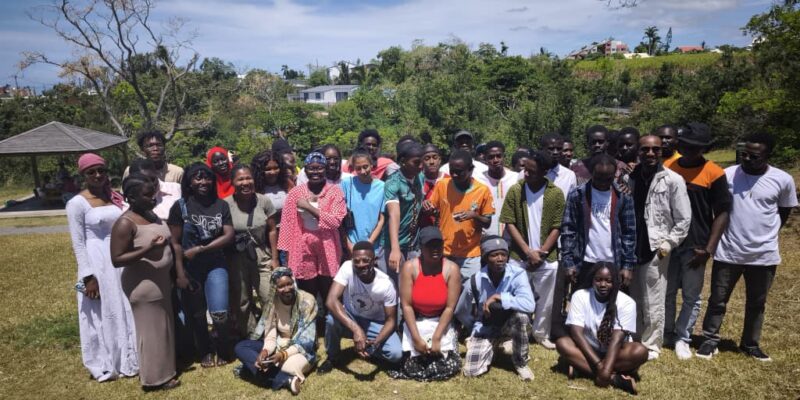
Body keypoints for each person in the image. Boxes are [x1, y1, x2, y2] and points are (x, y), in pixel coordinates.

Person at [698, 132, 798, 361]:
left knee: (757, 302)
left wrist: (766, 233)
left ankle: (750, 344)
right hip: (728, 250)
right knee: (718, 299)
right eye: (744, 154)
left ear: (767, 155)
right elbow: (718, 207)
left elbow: (783, 211)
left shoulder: (783, 180)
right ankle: (709, 339)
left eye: (754, 156)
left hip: (764, 255)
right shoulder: (728, 174)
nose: (747, 159)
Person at [66, 153, 137, 382]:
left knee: (125, 305)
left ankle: (131, 356)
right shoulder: (77, 203)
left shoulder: (115, 197)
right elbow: (77, 243)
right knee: (101, 310)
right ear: (83, 175)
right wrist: (88, 277)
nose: (98, 175)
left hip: (120, 257)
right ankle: (108, 360)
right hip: (96, 262)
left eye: (101, 170)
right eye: (91, 172)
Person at [663, 122, 731, 360]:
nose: (692, 150)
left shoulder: (715, 173)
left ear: (705, 148)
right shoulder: (667, 167)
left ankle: (683, 337)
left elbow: (722, 212)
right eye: (688, 146)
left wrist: (709, 248)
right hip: (669, 243)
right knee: (667, 292)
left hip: (697, 245)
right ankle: (667, 333)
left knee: (692, 295)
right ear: (680, 145)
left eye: (698, 147)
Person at [553, 154, 636, 340]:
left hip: (613, 261)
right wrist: (569, 262)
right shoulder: (578, 195)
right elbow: (569, 230)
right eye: (598, 177)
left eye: (608, 178)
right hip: (585, 261)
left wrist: (628, 265)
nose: (603, 182)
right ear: (592, 174)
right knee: (581, 304)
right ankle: (580, 343)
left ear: (614, 175)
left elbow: (630, 232)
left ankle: (608, 342)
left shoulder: (623, 196)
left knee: (612, 305)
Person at [110, 173, 179, 391]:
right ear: (131, 196)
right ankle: (153, 379)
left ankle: (166, 370)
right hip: (143, 284)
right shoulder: (125, 223)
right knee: (150, 332)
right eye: (148, 195)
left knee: (162, 328)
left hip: (160, 281)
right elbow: (117, 259)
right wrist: (149, 249)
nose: (153, 198)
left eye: (154, 193)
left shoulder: (151, 214)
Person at [627, 135, 691, 360]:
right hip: (631, 247)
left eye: (656, 149)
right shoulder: (629, 178)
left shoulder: (673, 180)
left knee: (653, 299)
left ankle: (652, 344)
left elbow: (683, 220)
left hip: (656, 248)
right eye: (645, 150)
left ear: (663, 151)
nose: (651, 154)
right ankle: (634, 337)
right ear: (639, 152)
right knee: (632, 297)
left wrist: (667, 245)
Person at [167, 162, 235, 368]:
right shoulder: (180, 207)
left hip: (215, 264)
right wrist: (179, 273)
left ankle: (223, 347)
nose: (203, 181)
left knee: (220, 312)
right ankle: (204, 349)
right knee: (196, 313)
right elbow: (175, 244)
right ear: (189, 181)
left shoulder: (220, 205)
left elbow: (229, 234)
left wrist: (201, 249)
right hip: (190, 268)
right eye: (197, 178)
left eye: (206, 177)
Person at [501, 151, 565, 349]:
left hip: (547, 257)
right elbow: (509, 222)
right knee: (517, 295)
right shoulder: (515, 190)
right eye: (524, 169)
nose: (526, 174)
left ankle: (540, 333)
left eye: (532, 171)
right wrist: (528, 251)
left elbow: (557, 226)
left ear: (544, 172)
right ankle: (514, 334)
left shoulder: (555, 193)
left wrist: (541, 252)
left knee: (546, 299)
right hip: (519, 255)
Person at [278, 152, 347, 332]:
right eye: (311, 168)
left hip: (327, 247)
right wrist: (285, 254)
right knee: (307, 291)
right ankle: (310, 330)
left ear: (325, 169)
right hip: (302, 247)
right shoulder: (295, 193)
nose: (315, 172)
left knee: (328, 289)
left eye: (319, 168)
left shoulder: (334, 192)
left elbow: (335, 221)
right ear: (305, 170)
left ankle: (333, 328)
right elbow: (287, 223)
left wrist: (309, 207)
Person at [555, 262, 648, 395]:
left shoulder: (627, 302)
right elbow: (576, 334)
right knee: (562, 343)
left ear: (615, 281)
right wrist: (601, 368)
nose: (603, 284)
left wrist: (605, 369)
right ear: (592, 280)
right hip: (587, 350)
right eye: (598, 280)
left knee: (640, 351)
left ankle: (581, 369)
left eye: (608, 281)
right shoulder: (580, 296)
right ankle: (615, 379)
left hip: (616, 353)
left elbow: (617, 339)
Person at [455, 236, 536, 380]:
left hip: (509, 325)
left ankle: (521, 362)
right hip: (485, 328)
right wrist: (473, 327)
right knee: (471, 372)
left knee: (522, 318)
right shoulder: (475, 281)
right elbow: (461, 311)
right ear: (486, 258)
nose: (500, 258)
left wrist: (499, 296)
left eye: (503, 254)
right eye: (494, 255)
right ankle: (493, 345)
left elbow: (529, 304)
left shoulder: (518, 274)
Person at [389, 227, 462, 381]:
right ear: (421, 247)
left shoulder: (452, 269)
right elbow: (407, 306)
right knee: (410, 364)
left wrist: (436, 338)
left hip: (440, 321)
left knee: (448, 364)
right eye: (430, 245)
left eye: (438, 245)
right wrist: (416, 338)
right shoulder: (410, 267)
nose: (435, 249)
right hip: (416, 320)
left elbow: (450, 308)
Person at [320, 241, 403, 373]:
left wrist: (376, 343)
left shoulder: (386, 284)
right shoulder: (347, 267)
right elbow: (331, 300)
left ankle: (368, 349)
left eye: (366, 260)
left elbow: (391, 320)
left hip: (375, 323)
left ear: (374, 260)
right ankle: (332, 357)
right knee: (331, 320)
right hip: (351, 317)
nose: (360, 265)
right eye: (356, 261)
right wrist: (356, 330)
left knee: (396, 354)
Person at [233, 268, 317, 395]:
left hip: (300, 349)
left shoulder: (307, 301)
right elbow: (271, 334)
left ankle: (254, 370)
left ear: (293, 281)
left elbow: (306, 341)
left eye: (289, 283)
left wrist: (281, 355)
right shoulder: (273, 302)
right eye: (281, 286)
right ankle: (286, 379)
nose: (287, 289)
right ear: (275, 288)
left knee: (288, 366)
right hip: (278, 344)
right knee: (241, 347)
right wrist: (265, 351)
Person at [225, 164, 280, 339]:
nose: (245, 182)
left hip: (261, 254)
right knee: (242, 300)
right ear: (233, 182)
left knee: (268, 296)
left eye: (248, 178)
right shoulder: (226, 204)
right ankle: (250, 334)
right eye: (240, 179)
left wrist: (275, 258)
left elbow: (272, 229)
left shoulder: (263, 201)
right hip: (237, 257)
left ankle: (273, 333)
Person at [423, 150, 494, 282]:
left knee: (469, 293)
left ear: (470, 170)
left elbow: (487, 222)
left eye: (459, 172)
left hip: (470, 255)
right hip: (445, 252)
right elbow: (432, 209)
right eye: (452, 171)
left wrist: (474, 215)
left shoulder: (482, 190)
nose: (454, 175)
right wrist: (427, 208)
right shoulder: (442, 185)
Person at [384, 142, 425, 278]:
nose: (421, 166)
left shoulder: (419, 177)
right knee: (396, 286)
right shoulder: (393, 183)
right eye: (416, 162)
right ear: (403, 162)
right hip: (396, 243)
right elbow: (394, 215)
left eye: (422, 162)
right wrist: (395, 249)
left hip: (414, 243)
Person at [340, 149, 385, 256]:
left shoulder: (382, 187)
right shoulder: (346, 184)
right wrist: (348, 243)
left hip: (374, 247)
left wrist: (369, 243)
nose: (363, 171)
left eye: (365, 166)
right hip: (350, 245)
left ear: (371, 165)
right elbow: (340, 218)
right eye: (358, 168)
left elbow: (381, 219)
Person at [474, 141, 518, 237]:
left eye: (499, 156)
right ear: (485, 159)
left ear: (504, 157)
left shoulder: (516, 179)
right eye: (491, 157)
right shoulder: (478, 180)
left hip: (512, 238)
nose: (495, 160)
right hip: (485, 238)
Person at [251, 150, 295, 227]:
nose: (273, 172)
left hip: (288, 229)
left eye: (276, 168)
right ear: (260, 170)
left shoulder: (287, 183)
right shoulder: (255, 188)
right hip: (266, 231)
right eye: (268, 169)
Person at [535, 133, 578, 200]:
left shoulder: (569, 176)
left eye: (559, 149)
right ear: (541, 149)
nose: (555, 152)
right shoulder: (530, 173)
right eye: (551, 149)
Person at [420, 144, 445, 228]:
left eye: (435, 157)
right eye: (427, 158)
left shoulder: (449, 180)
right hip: (424, 230)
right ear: (421, 162)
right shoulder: (417, 181)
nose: (431, 162)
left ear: (440, 160)